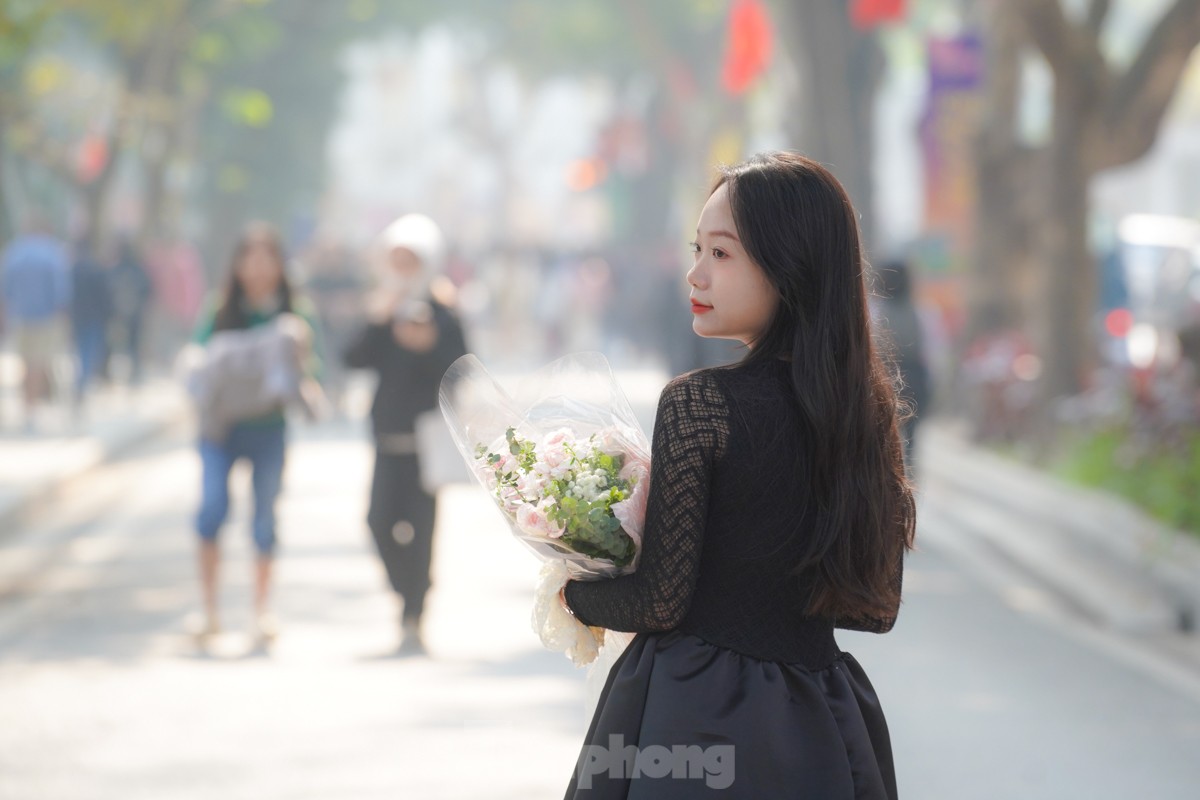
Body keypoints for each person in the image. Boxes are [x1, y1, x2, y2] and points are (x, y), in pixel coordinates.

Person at [560, 152, 916, 799]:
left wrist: (572, 591)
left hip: (690, 713)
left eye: (721, 254)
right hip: (821, 721)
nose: (696, 274)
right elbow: (877, 609)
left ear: (790, 264)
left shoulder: (701, 404)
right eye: (698, 250)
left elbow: (660, 601)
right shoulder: (863, 414)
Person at [189, 222, 319, 647]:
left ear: (280, 265)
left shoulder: (294, 314)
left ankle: (261, 612)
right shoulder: (220, 309)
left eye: (268, 258)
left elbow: (307, 371)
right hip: (220, 431)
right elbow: (198, 363)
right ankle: (209, 612)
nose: (259, 267)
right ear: (238, 264)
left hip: (268, 431)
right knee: (211, 511)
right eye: (251, 257)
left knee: (264, 521)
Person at [343, 214, 468, 656]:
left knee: (422, 528)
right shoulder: (383, 307)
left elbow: (462, 369)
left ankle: (415, 613)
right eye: (397, 257)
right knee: (378, 521)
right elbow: (352, 358)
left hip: (428, 441)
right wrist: (379, 319)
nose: (403, 266)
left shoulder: (443, 307)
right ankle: (409, 594)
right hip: (387, 435)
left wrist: (430, 343)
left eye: (411, 258)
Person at [1, 217, 71, 428]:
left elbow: (5, 289)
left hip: (20, 316)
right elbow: (61, 292)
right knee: (38, 363)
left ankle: (26, 405)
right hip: (45, 318)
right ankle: (31, 410)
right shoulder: (52, 254)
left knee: (24, 363)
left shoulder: (14, 252)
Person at [874, 258, 931, 476]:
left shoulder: (874, 311)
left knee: (883, 440)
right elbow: (933, 353)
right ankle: (907, 488)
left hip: (881, 380)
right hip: (915, 381)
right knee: (910, 441)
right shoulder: (922, 314)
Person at [69, 238, 115, 408]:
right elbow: (106, 296)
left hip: (78, 317)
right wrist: (109, 315)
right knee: (88, 351)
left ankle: (79, 382)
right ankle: (81, 382)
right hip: (94, 318)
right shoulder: (97, 269)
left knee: (79, 351)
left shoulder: (73, 269)